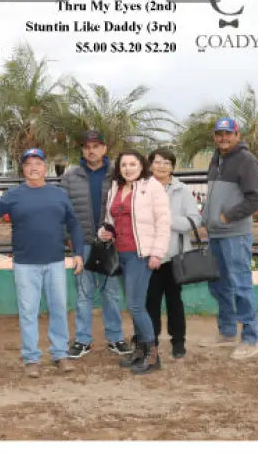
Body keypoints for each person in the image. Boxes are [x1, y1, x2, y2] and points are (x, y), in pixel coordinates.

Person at [0, 147, 85, 376]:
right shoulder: (13, 195)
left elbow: (74, 224)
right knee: (28, 311)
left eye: (38, 163)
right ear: (23, 169)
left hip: (55, 262)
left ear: (45, 168)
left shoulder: (59, 194)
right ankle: (31, 358)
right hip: (25, 264)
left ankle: (60, 354)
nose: (33, 168)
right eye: (28, 164)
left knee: (58, 308)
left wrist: (78, 253)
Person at [60, 131, 134, 359]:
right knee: (83, 293)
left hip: (109, 244)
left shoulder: (116, 174)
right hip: (82, 244)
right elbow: (63, 211)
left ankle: (115, 338)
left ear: (104, 149)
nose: (91, 150)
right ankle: (83, 340)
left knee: (111, 293)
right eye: (86, 147)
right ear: (82, 150)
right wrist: (69, 239)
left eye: (95, 146)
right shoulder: (70, 177)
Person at [98, 149, 170, 375]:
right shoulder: (115, 187)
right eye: (123, 165)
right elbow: (109, 220)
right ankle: (140, 350)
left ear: (141, 166)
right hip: (121, 254)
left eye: (132, 164)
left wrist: (157, 253)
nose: (128, 168)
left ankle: (152, 356)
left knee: (136, 305)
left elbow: (163, 221)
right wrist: (104, 232)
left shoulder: (152, 186)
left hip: (141, 255)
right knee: (135, 305)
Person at [200, 116, 258, 359]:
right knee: (219, 285)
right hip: (215, 233)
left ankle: (250, 339)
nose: (223, 138)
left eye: (228, 133)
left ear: (237, 135)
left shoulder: (246, 160)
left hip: (235, 234)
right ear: (214, 137)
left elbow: (257, 198)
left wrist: (227, 217)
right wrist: (206, 219)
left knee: (240, 285)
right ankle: (227, 333)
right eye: (219, 134)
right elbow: (213, 195)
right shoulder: (216, 158)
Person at [144, 148, 201, 358]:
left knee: (174, 300)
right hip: (149, 255)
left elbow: (195, 220)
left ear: (173, 168)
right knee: (150, 300)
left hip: (175, 255)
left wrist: (166, 220)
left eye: (167, 163)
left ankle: (178, 341)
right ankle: (150, 340)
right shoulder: (142, 188)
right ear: (150, 165)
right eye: (157, 162)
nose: (161, 166)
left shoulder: (182, 190)